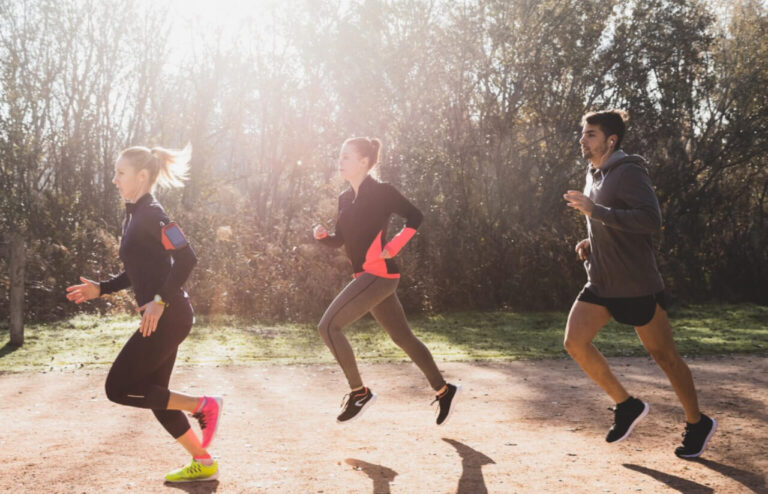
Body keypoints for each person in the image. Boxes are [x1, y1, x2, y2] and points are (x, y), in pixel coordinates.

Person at [562, 110, 716, 458]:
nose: (583, 140)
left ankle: (697, 422)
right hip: (600, 280)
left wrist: (595, 213)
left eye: (590, 134)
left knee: (665, 356)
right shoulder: (593, 174)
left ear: (610, 140)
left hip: (635, 284)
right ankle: (626, 405)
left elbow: (650, 220)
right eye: (583, 133)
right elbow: (605, 220)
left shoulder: (629, 171)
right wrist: (591, 242)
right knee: (574, 342)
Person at [65, 144, 223, 482]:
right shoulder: (134, 214)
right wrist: (101, 288)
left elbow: (187, 257)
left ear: (142, 176)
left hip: (170, 314)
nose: (114, 179)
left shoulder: (153, 213)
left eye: (120, 173)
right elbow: (137, 270)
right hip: (162, 315)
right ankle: (203, 462)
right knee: (155, 394)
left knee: (118, 388)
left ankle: (203, 405)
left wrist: (160, 299)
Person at [313, 137, 460, 425]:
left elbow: (416, 216)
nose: (339, 161)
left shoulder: (382, 192)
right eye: (339, 156)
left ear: (364, 162)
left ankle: (359, 393)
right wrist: (322, 237)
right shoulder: (344, 198)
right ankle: (444, 390)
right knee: (402, 337)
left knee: (328, 327)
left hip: (379, 274)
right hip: (366, 278)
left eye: (345, 157)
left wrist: (394, 245)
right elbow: (341, 240)